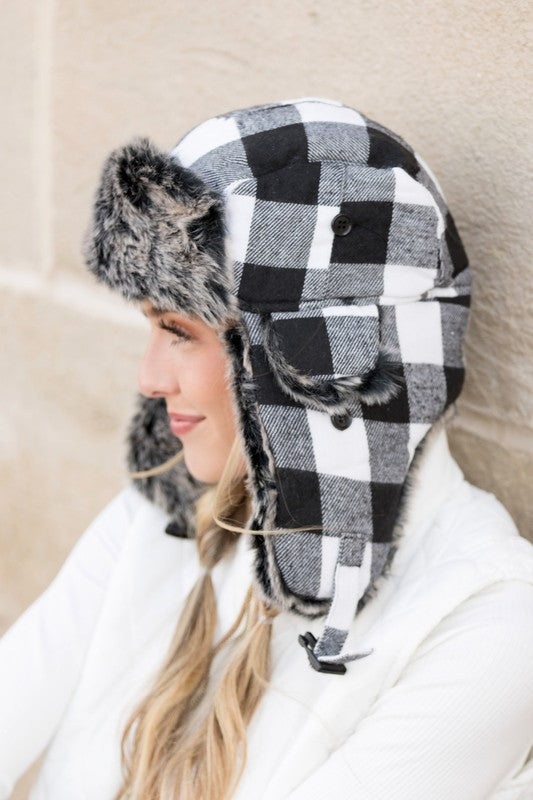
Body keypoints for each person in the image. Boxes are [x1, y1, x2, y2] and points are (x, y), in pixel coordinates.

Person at [1, 97, 533, 800]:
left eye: (181, 332)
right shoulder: (168, 513)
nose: (149, 380)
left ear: (318, 358)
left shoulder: (490, 617)